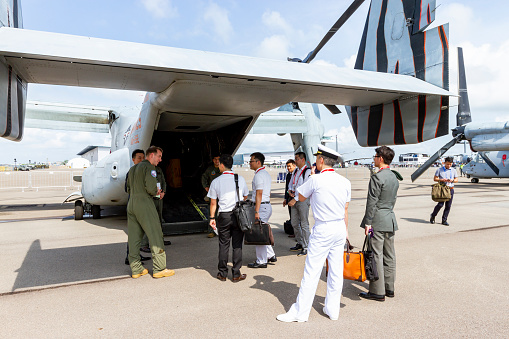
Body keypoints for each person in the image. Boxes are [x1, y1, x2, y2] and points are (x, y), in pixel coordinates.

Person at [277, 145, 350, 322]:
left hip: (323, 228)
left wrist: (311, 176)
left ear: (321, 160)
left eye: (317, 158)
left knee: (311, 272)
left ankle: (300, 313)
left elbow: (300, 197)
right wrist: (346, 233)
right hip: (339, 228)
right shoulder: (345, 181)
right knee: (335, 271)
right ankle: (332, 310)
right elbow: (346, 209)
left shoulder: (316, 179)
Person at [359, 146, 401, 302]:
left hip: (376, 222)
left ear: (381, 158)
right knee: (389, 255)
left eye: (375, 156)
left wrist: (368, 223)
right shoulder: (393, 177)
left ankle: (377, 291)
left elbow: (372, 203)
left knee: (375, 255)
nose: (374, 158)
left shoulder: (377, 177)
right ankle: (389, 288)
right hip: (389, 220)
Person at [126, 146, 175, 279]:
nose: (160, 159)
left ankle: (136, 269)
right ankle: (159, 268)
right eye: (159, 156)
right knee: (155, 234)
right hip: (144, 204)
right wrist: (157, 193)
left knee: (134, 238)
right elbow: (152, 189)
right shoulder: (150, 168)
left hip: (131, 204)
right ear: (151, 155)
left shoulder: (132, 169)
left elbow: (128, 188)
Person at [208, 154, 249, 282]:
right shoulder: (240, 179)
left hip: (224, 216)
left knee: (223, 244)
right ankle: (236, 274)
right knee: (237, 245)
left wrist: (211, 218)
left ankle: (222, 273)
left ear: (221, 165)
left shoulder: (216, 181)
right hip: (238, 215)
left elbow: (213, 203)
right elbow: (245, 196)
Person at [247, 152, 277, 268]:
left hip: (262, 207)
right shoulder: (265, 173)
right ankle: (270, 255)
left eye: (251, 161)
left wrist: (256, 211)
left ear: (258, 162)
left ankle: (261, 261)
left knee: (258, 233)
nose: (249, 163)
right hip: (266, 205)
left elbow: (259, 193)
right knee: (263, 231)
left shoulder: (259, 175)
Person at [124, 149, 150, 265]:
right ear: (133, 160)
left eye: (143, 157)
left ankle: (134, 256)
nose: (141, 160)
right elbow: (126, 189)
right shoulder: (131, 172)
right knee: (135, 233)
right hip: (136, 206)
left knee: (138, 233)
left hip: (139, 205)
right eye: (139, 157)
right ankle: (131, 257)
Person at [287, 151, 312, 256]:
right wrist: (290, 191)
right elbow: (291, 183)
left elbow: (306, 188)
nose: (295, 161)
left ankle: (307, 247)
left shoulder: (307, 171)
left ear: (302, 159)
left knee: (304, 224)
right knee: (294, 223)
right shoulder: (296, 171)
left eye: (297, 159)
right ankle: (300, 242)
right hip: (295, 199)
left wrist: (295, 199)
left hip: (302, 200)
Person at [430, 156, 458, 226]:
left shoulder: (454, 170)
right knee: (440, 204)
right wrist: (442, 180)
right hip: (443, 189)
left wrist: (453, 180)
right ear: (444, 163)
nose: (449, 165)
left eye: (450, 164)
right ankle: (433, 215)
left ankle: (444, 220)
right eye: (447, 164)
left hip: (450, 189)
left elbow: (456, 180)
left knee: (448, 206)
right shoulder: (439, 170)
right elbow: (435, 178)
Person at [202, 154, 221, 238]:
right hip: (213, 195)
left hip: (222, 194)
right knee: (212, 213)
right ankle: (212, 231)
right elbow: (204, 177)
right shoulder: (210, 169)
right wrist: (206, 186)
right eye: (215, 159)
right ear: (213, 160)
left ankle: (223, 231)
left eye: (218, 159)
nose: (217, 161)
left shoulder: (223, 168)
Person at [283, 159, 297, 238]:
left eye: (289, 166)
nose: (288, 168)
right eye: (287, 166)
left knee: (297, 217)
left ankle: (298, 234)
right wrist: (285, 198)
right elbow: (286, 188)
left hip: (296, 198)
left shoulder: (297, 175)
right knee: (292, 216)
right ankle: (294, 231)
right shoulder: (288, 175)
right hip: (289, 198)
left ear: (294, 166)